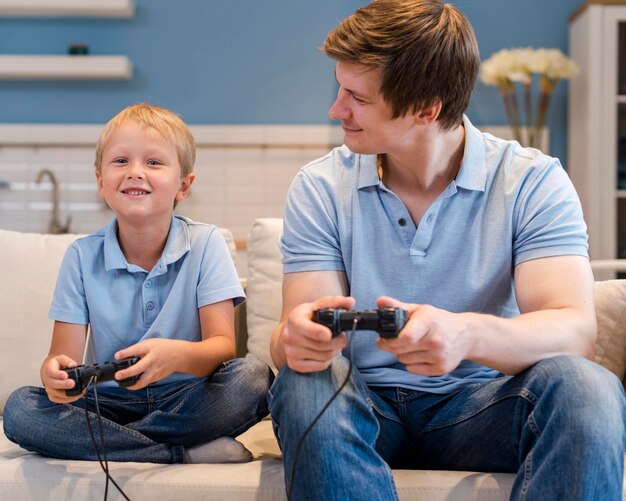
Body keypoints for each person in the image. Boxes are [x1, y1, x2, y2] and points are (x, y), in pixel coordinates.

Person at [268, 1, 626, 500]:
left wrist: (464, 334)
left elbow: (574, 332)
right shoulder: (321, 186)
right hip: (363, 409)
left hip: (479, 408)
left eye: (357, 97)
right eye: (339, 88)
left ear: (426, 108)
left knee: (587, 387)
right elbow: (290, 335)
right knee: (304, 381)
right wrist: (296, 340)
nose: (336, 110)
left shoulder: (532, 181)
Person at [3, 103, 273, 464]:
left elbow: (222, 347)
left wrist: (174, 355)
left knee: (253, 377)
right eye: (120, 161)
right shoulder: (81, 256)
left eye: (154, 163)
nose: (135, 173)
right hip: (106, 403)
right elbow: (62, 359)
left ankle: (123, 447)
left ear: (184, 185)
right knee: (21, 407)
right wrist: (55, 375)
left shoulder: (206, 244)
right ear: (101, 181)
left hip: (185, 397)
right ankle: (179, 452)